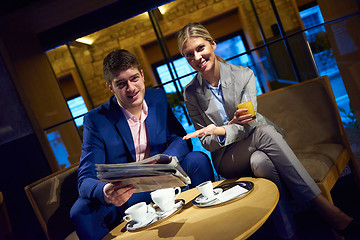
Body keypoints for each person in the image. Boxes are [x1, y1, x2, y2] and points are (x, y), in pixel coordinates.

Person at [177, 22, 359, 240]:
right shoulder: (191, 93)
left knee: (260, 161)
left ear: (213, 45)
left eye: (200, 48)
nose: (197, 57)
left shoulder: (243, 75)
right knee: (265, 132)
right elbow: (207, 142)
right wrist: (225, 130)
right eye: (189, 55)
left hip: (258, 143)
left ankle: (289, 232)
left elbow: (248, 122)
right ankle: (324, 209)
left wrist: (220, 130)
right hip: (227, 158)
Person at [70, 49, 214, 240]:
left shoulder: (158, 98)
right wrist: (106, 192)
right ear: (110, 88)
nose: (131, 88)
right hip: (127, 194)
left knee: (198, 159)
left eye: (134, 78)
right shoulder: (95, 120)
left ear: (143, 75)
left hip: (162, 178)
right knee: (80, 210)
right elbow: (85, 178)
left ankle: (210, 224)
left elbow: (179, 138)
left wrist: (164, 161)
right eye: (121, 84)